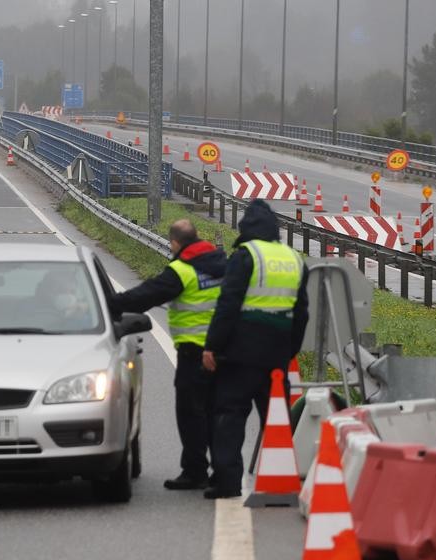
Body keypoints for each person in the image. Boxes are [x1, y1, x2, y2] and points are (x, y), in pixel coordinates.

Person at [201, 200, 309, 500]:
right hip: (277, 356)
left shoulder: (245, 256)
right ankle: (280, 479)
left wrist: (212, 346)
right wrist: (290, 351)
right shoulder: (294, 259)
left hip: (240, 355)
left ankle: (228, 483)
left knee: (230, 416)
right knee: (276, 419)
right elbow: (301, 314)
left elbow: (228, 306)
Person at [109, 219, 225, 490]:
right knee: (218, 412)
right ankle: (224, 471)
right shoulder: (225, 265)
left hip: (194, 353)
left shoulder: (182, 270)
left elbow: (144, 297)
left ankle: (195, 471)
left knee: (190, 414)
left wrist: (111, 303)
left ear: (174, 243)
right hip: (224, 351)